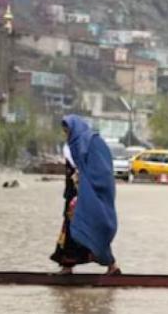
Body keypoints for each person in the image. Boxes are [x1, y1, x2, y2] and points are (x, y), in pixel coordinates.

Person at [51, 115, 121, 275]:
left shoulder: (92, 143)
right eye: (64, 131)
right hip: (73, 195)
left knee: (93, 228)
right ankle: (67, 266)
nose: (66, 133)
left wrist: (84, 180)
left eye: (67, 130)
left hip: (87, 195)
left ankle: (112, 265)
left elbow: (102, 170)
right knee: (71, 230)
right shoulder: (71, 146)